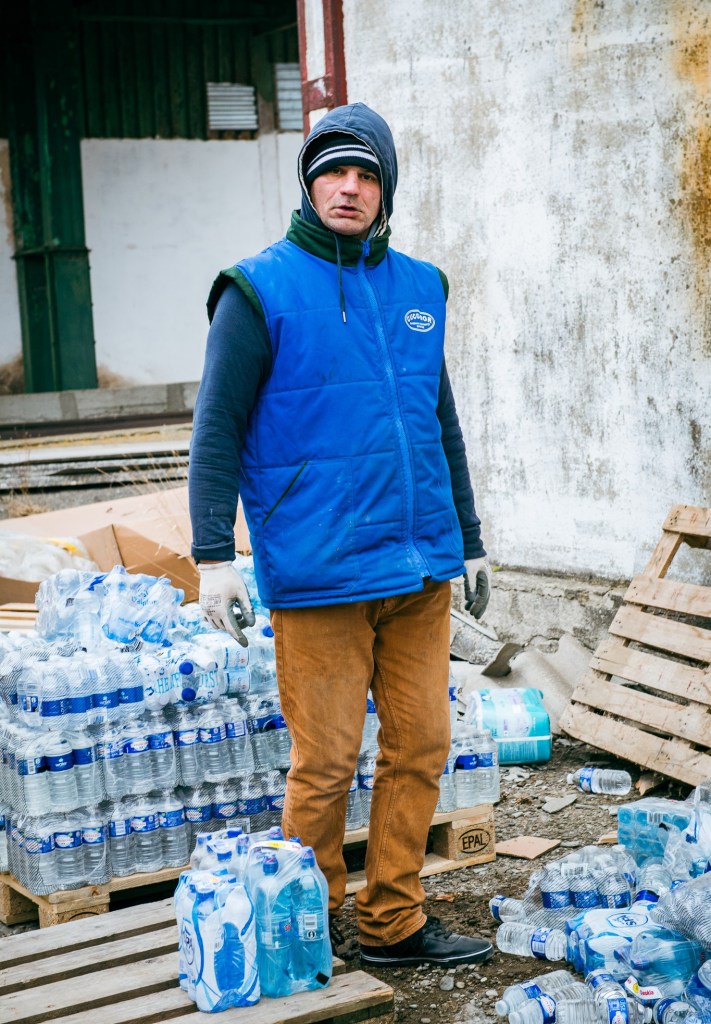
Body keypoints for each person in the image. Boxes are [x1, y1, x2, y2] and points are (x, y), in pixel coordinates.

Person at [189, 102, 494, 967]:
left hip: (417, 570)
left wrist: (468, 537)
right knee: (324, 763)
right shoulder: (257, 290)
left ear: (385, 188)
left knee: (420, 747)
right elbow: (216, 429)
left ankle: (393, 920)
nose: (348, 188)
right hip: (319, 570)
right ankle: (306, 923)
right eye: (332, 172)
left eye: (365, 174)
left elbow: (438, 421)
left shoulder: (421, 288)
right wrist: (212, 556)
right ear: (309, 183)